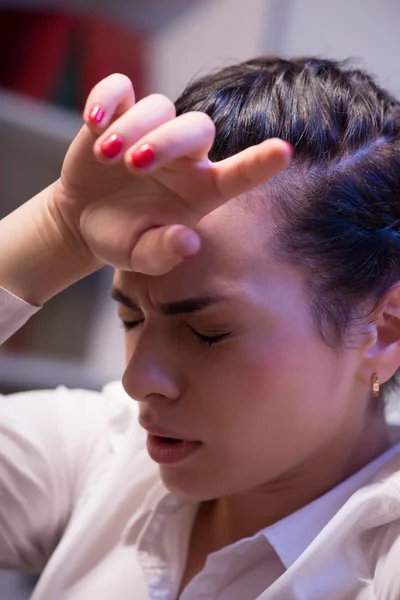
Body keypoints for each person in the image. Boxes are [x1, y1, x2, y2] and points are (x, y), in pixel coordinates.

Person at [1, 55, 400, 600]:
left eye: (208, 332)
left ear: (385, 331)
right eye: (131, 317)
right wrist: (57, 232)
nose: (138, 381)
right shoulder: (104, 453)